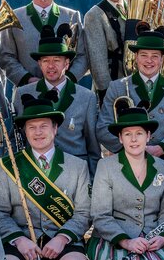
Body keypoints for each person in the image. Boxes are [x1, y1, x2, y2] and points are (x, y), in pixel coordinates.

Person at [0, 96, 91, 260]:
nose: (38, 132)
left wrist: (63, 238)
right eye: (32, 127)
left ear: (55, 129)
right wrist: (18, 240)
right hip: (23, 242)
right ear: (24, 131)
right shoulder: (9, 165)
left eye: (44, 126)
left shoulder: (77, 166)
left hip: (63, 242)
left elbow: (84, 213)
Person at [90, 106, 164, 260]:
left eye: (139, 133)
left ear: (148, 136)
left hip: (152, 238)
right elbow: (101, 215)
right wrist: (126, 242)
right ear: (120, 138)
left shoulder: (162, 166)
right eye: (127, 134)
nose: (133, 139)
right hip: (114, 239)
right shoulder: (106, 166)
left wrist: (162, 238)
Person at [96, 25, 164, 183]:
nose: (149, 61)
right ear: (136, 57)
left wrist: (160, 149)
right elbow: (103, 127)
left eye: (155, 56)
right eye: (144, 55)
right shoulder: (117, 87)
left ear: (162, 59)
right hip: (125, 166)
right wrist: (131, 149)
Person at [13, 25, 101, 175]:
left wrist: (92, 181)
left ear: (67, 63)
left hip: (75, 173)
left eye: (57, 60)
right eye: (46, 61)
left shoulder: (87, 98)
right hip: (35, 172)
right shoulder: (22, 93)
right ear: (39, 64)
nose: (51, 66)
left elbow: (93, 148)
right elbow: (17, 139)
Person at [0, 0, 88, 87]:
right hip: (27, 91)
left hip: (66, 91)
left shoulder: (72, 16)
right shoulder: (13, 17)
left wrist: (67, 80)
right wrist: (27, 79)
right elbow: (6, 57)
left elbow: (82, 55)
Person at [82, 0, 131, 101]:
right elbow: (98, 62)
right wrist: (108, 95)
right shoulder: (94, 15)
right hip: (113, 86)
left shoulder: (133, 7)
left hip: (135, 83)